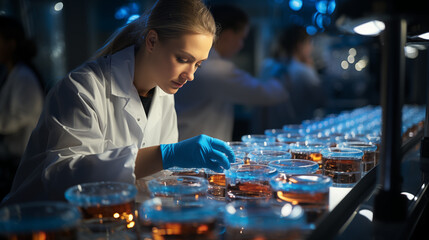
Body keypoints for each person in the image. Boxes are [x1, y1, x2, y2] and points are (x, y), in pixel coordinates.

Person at [1, 0, 235, 205]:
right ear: (152, 41)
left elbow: (152, 181)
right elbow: (62, 178)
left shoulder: (164, 94)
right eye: (183, 59)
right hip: (37, 222)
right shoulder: (83, 87)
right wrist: (166, 155)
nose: (191, 74)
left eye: (198, 64)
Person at [174, 4, 287, 142]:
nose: (241, 45)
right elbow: (269, 94)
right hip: (196, 152)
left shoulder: (209, 65)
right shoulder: (217, 70)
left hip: (187, 143)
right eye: (241, 38)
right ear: (227, 35)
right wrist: (278, 71)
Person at [0, 16, 45, 199]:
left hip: (20, 160)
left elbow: (19, 117)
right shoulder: (12, 73)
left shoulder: (23, 76)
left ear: (11, 44)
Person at [255, 24, 325, 129]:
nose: (311, 48)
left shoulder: (267, 65)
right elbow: (322, 100)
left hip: (264, 133)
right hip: (293, 135)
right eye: (309, 43)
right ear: (300, 45)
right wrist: (312, 68)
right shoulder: (304, 71)